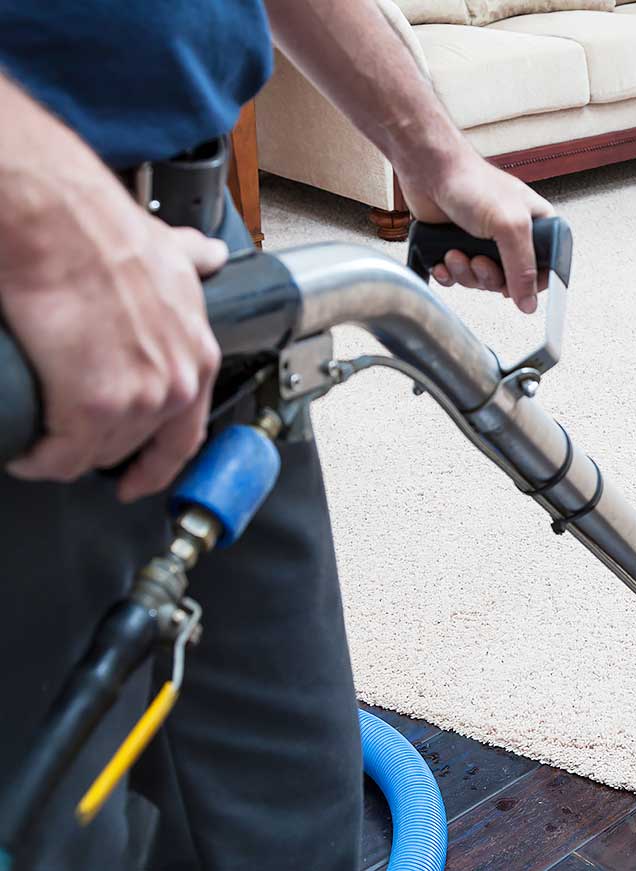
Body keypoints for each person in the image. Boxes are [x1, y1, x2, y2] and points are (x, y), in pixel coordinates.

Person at [0, 1, 553, 868]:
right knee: (60, 829)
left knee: (291, 794)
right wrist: (34, 206)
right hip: (34, 293)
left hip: (198, 237)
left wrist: (431, 151)